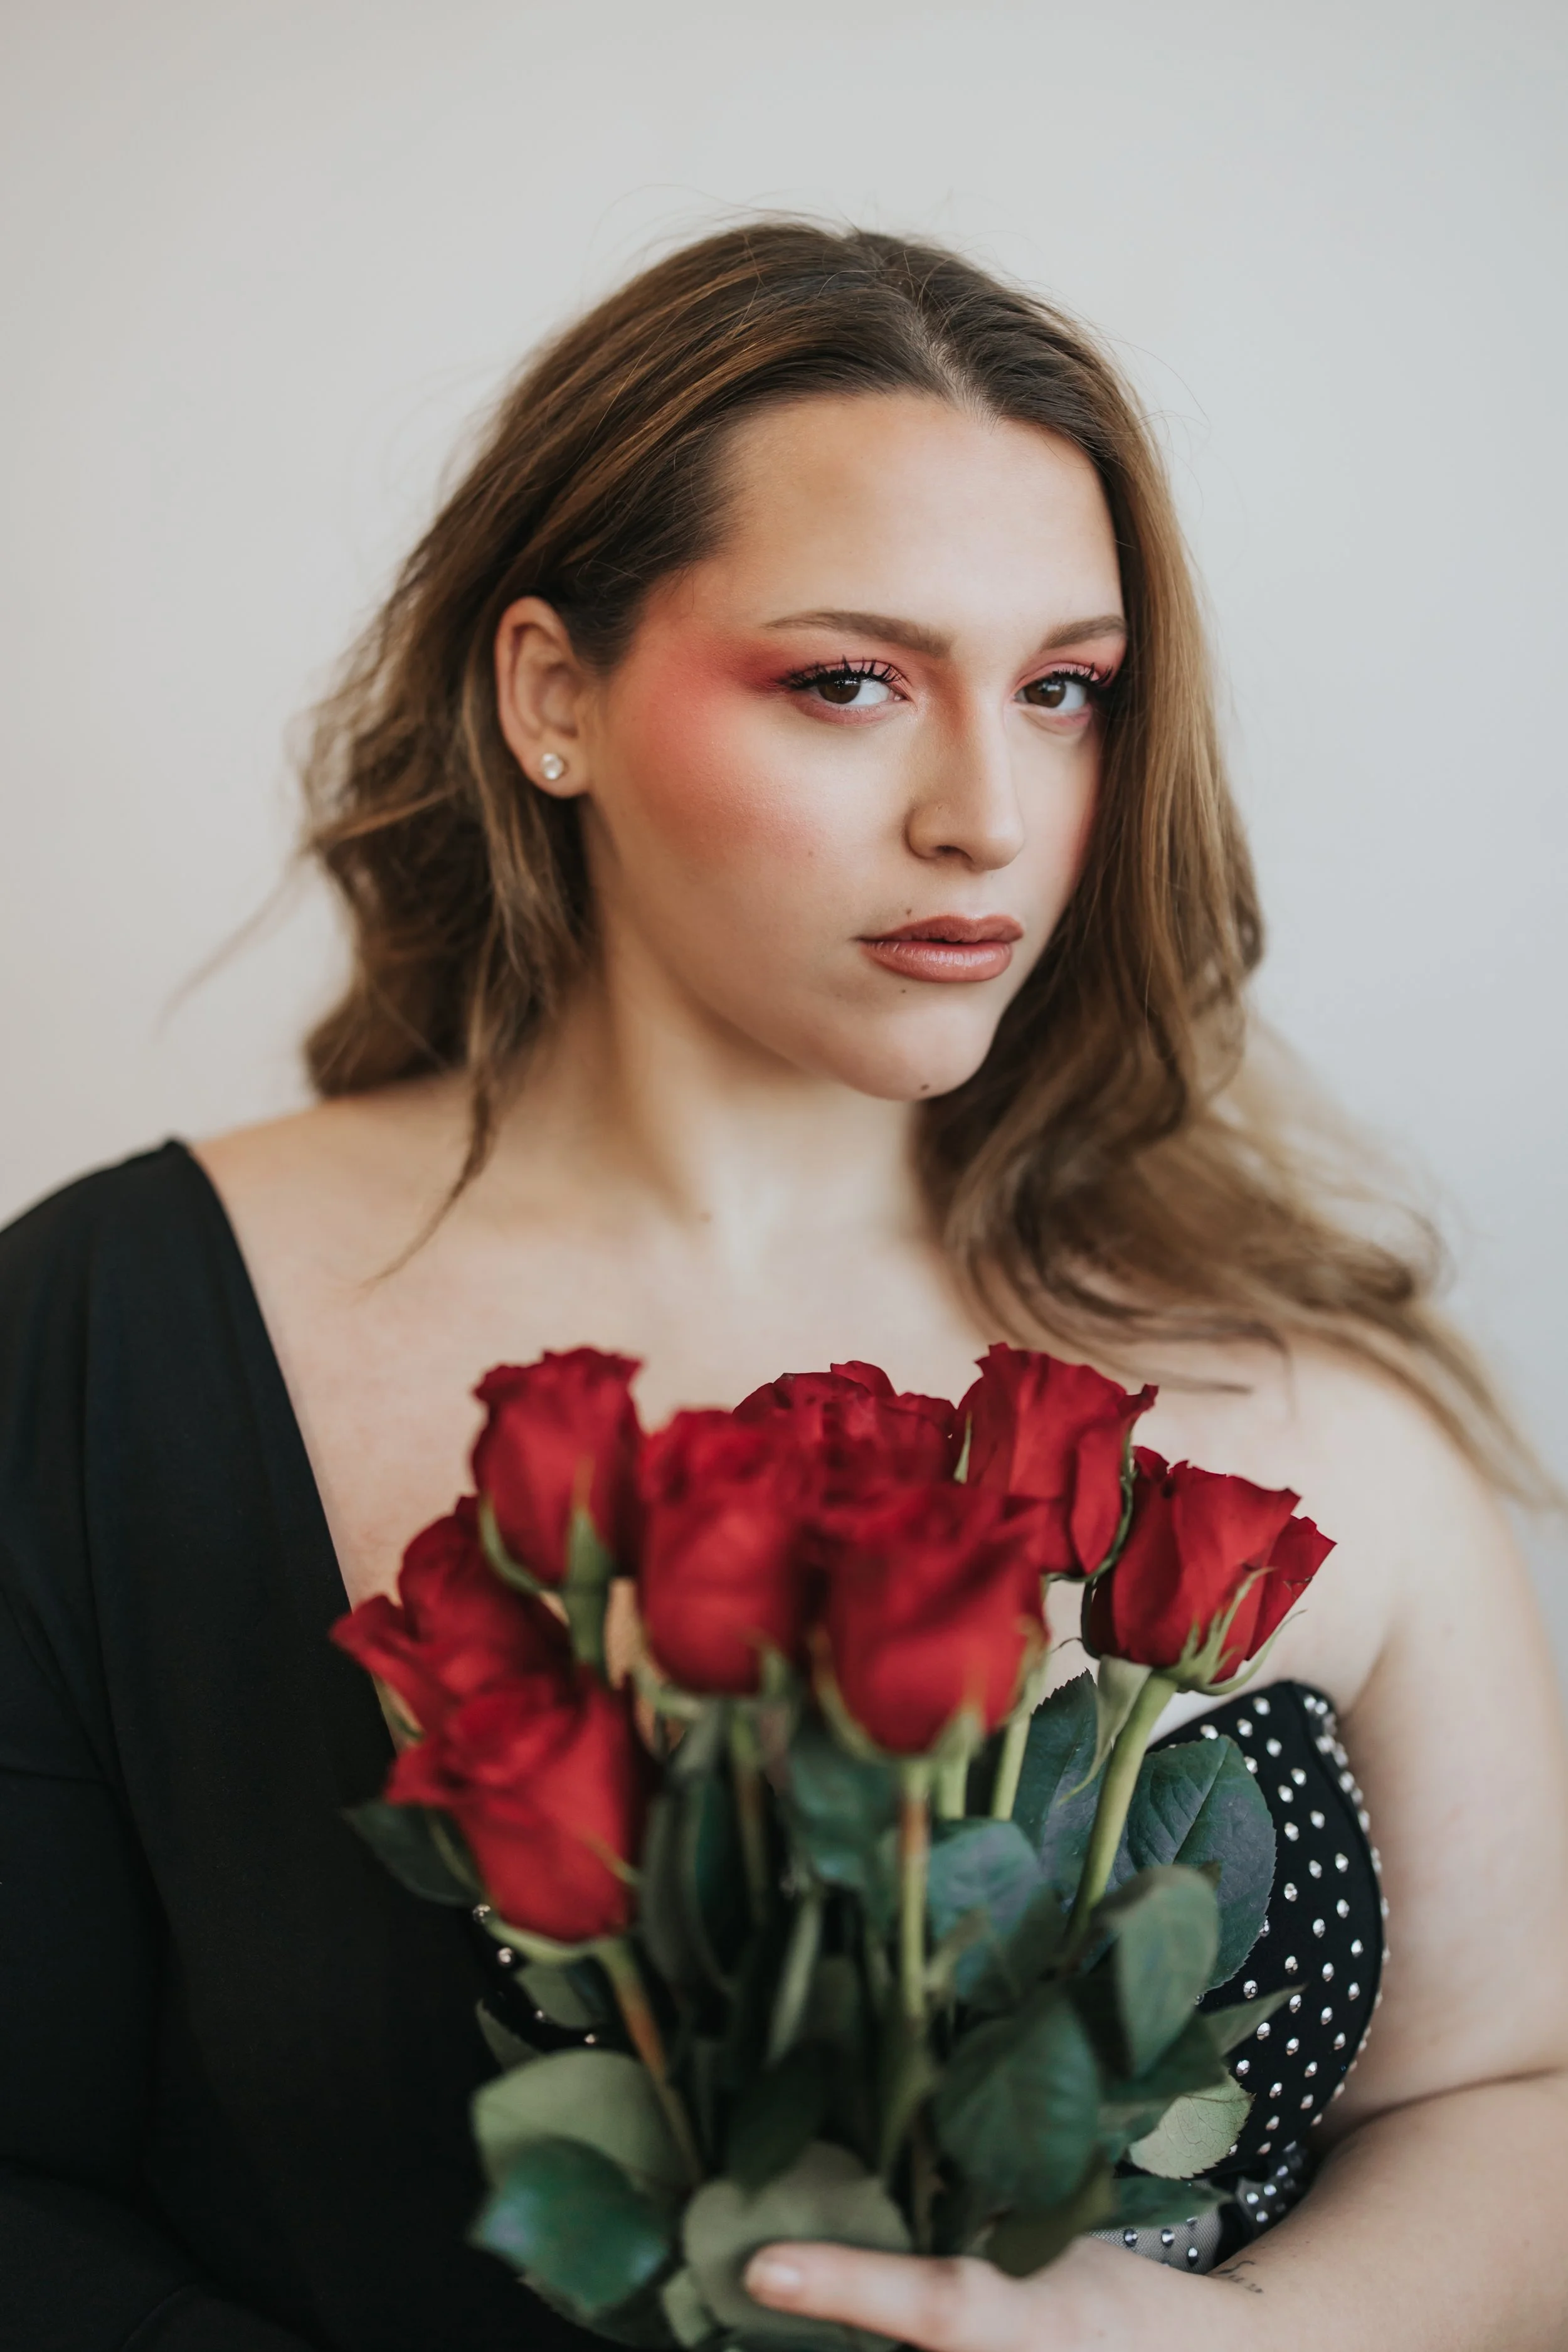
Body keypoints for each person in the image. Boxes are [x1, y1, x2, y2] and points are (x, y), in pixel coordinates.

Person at [2, 221, 1564, 2352]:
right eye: (849, 680)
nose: (987, 817)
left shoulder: (1311, 1399)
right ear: (550, 693)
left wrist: (1224, 2340)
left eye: (1064, 691)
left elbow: (1517, 2098)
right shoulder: (111, 1336)